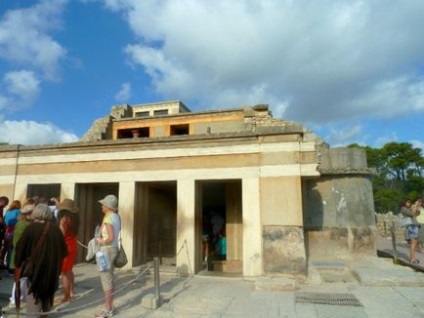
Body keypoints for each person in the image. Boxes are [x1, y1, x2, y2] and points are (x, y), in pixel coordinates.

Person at [14, 203, 68, 317]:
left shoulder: (30, 228)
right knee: (47, 299)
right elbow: (63, 252)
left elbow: (20, 249)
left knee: (34, 299)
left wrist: (18, 264)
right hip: (51, 272)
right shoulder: (56, 230)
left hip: (35, 272)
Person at [95, 195, 120, 318]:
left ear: (108, 207)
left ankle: (108, 309)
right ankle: (109, 304)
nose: (101, 206)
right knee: (109, 278)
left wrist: (100, 241)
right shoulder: (115, 216)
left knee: (106, 279)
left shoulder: (109, 218)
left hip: (107, 250)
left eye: (103, 204)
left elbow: (110, 237)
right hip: (113, 249)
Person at [9, 201, 35, 307]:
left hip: (25, 255)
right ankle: (15, 299)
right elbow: (18, 242)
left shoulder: (28, 224)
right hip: (22, 255)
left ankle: (22, 297)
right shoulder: (22, 225)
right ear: (28, 214)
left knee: (24, 278)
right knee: (19, 278)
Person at [56, 198, 80, 303]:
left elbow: (61, 235)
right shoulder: (75, 218)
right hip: (73, 244)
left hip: (65, 246)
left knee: (64, 272)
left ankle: (65, 296)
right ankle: (71, 292)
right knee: (69, 270)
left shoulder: (64, 219)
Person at [1, 200, 22, 272]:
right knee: (12, 248)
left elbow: (4, 220)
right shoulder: (18, 212)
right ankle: (9, 264)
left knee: (6, 247)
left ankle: (2, 261)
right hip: (13, 230)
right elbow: (19, 221)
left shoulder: (8, 211)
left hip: (7, 230)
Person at [400, 198, 420, 264]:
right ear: (404, 202)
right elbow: (411, 214)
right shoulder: (403, 209)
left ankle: (413, 258)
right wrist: (414, 207)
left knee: (414, 244)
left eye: (410, 202)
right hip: (412, 227)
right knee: (413, 244)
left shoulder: (407, 209)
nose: (409, 203)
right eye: (408, 202)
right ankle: (412, 259)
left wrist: (416, 207)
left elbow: (417, 214)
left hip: (414, 226)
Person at [0, 196, 10, 269]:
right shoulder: (0, 207)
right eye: (5, 204)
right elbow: (0, 219)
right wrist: (5, 226)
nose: (5, 206)